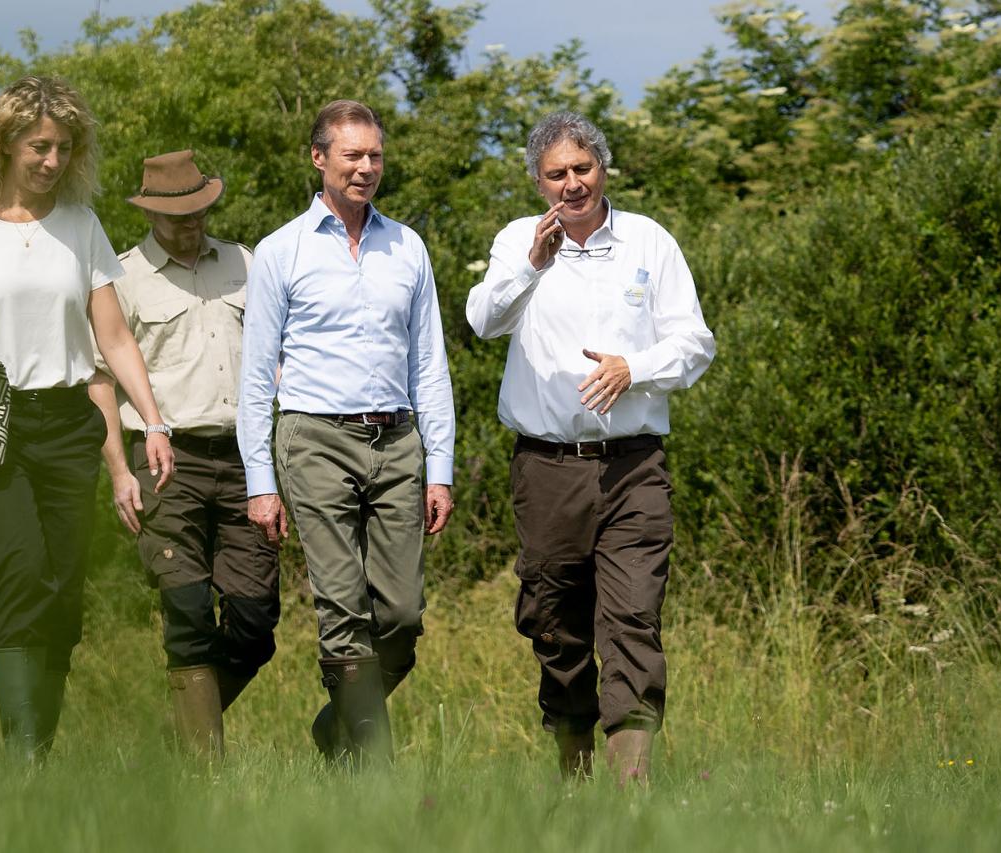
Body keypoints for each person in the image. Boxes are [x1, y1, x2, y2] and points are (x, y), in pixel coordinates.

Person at [0, 76, 174, 759]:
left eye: (64, 147)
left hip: (66, 424)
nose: (52, 161)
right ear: (4, 143)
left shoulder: (81, 227)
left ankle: (39, 752)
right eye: (38, 146)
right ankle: (23, 757)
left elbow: (112, 338)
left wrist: (154, 421)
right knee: (21, 567)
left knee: (60, 589)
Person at [466, 111, 716, 785]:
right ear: (538, 181)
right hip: (546, 468)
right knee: (556, 625)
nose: (572, 185)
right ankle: (572, 776)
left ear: (603, 167)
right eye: (557, 174)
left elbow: (695, 343)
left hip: (634, 466)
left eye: (583, 168)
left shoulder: (648, 241)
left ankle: (630, 788)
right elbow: (481, 320)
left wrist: (633, 367)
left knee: (633, 618)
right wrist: (530, 267)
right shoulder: (520, 240)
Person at [238, 100, 456, 764]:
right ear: (319, 158)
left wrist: (439, 466)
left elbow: (428, 362)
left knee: (401, 615)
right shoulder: (281, 251)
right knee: (342, 606)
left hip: (397, 442)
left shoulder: (407, 246)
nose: (365, 168)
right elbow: (254, 376)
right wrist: (260, 483)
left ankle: (337, 726)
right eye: (352, 155)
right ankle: (372, 769)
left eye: (375, 156)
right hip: (313, 438)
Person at [89, 150, 280, 757]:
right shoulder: (120, 278)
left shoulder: (247, 264)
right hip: (166, 461)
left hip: (247, 459)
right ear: (151, 214)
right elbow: (100, 382)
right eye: (176, 217)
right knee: (188, 608)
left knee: (254, 621)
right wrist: (120, 469)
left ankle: (173, 740)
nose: (189, 224)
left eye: (198, 212)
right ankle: (205, 772)